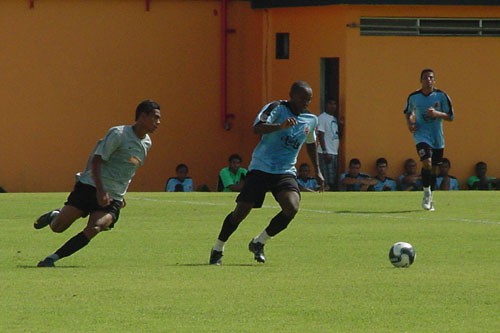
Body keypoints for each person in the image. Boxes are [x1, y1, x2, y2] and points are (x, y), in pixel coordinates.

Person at [33, 100, 161, 267]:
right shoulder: (119, 134)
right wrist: (101, 191)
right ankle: (55, 215)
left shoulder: (147, 143)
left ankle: (52, 258)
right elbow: (96, 160)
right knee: (58, 227)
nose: (158, 122)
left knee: (96, 227)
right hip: (90, 186)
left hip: (112, 196)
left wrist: (121, 194)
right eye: (155, 118)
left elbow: (129, 170)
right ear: (143, 116)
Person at [209, 81, 324, 265]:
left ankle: (259, 242)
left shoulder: (311, 119)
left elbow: (310, 143)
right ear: (292, 95)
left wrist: (318, 171)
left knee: (291, 207)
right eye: (302, 99)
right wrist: (280, 126)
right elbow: (257, 127)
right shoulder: (277, 108)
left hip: (285, 171)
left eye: (308, 100)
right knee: (241, 212)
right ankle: (217, 248)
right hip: (261, 168)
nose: (305, 103)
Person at [403, 68, 454, 210]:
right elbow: (408, 112)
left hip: (437, 137)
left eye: (431, 78)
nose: (428, 80)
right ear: (421, 80)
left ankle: (430, 195)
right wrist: (410, 123)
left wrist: (437, 113)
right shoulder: (414, 97)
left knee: (434, 169)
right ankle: (426, 193)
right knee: (427, 162)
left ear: (434, 80)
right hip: (421, 135)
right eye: (426, 77)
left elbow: (451, 117)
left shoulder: (441, 96)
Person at [317, 98, 343, 191]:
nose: (333, 106)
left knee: (332, 178)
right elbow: (321, 134)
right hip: (326, 152)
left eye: (334, 104)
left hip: (334, 151)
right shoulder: (322, 117)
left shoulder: (334, 119)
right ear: (326, 105)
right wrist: (324, 151)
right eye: (330, 104)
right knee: (326, 178)